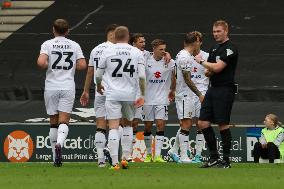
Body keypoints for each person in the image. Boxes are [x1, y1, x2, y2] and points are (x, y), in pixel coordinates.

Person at [37, 19, 87, 167]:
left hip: (51, 86)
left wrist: (48, 65)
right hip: (67, 86)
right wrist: (71, 66)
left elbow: (41, 63)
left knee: (53, 122)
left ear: (53, 29)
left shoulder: (47, 44)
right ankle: (60, 143)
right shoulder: (74, 45)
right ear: (68, 31)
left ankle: (55, 157)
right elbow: (83, 64)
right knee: (64, 120)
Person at [96, 26, 146, 170]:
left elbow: (98, 74)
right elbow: (142, 76)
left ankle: (114, 162)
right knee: (128, 124)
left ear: (115, 36)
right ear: (128, 36)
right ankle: (125, 158)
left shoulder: (107, 51)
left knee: (113, 126)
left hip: (112, 94)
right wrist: (142, 95)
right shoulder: (136, 52)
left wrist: (99, 85)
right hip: (129, 94)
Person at [194, 20, 238, 168]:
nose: (215, 34)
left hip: (225, 89)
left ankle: (226, 160)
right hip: (213, 88)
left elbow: (218, 68)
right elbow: (209, 71)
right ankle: (214, 157)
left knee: (222, 124)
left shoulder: (230, 48)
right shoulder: (214, 49)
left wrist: (201, 62)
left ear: (226, 31)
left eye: (218, 31)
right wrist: (208, 68)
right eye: (214, 31)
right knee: (202, 122)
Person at [80, 24, 118, 167]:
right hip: (113, 91)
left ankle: (100, 160)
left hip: (99, 91)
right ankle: (112, 154)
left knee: (100, 125)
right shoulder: (115, 49)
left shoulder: (96, 49)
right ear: (112, 34)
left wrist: (85, 90)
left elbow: (90, 72)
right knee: (117, 125)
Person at [168, 31, 208, 163]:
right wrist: (200, 94)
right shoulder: (185, 56)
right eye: (198, 41)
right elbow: (187, 80)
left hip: (189, 94)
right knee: (186, 123)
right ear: (196, 42)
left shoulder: (185, 55)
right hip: (186, 95)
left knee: (195, 123)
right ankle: (184, 156)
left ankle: (175, 151)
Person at [143, 39, 175, 163]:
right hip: (147, 99)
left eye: (164, 49)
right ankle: (148, 155)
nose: (163, 51)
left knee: (161, 125)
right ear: (154, 49)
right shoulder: (146, 60)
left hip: (162, 99)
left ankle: (157, 156)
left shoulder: (169, 61)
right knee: (148, 126)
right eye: (160, 49)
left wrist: (173, 89)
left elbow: (176, 74)